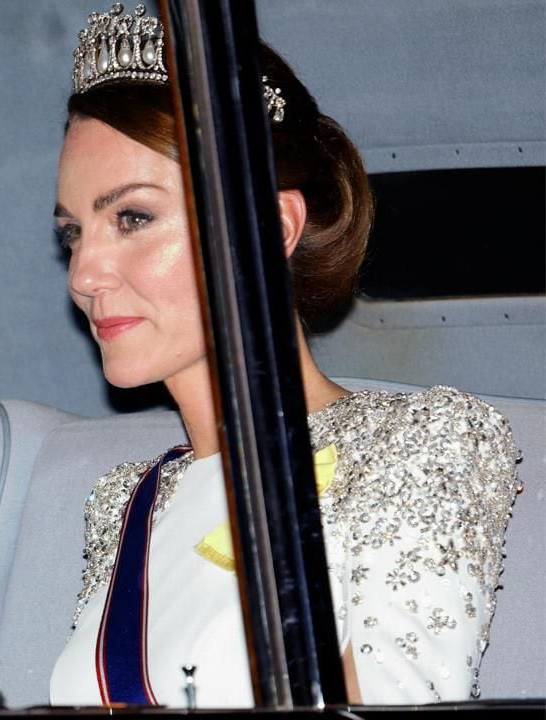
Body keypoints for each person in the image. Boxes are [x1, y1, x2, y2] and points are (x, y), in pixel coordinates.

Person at [48, 4, 521, 708]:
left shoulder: (420, 445)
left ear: (270, 227)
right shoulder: (126, 502)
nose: (84, 274)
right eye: (73, 234)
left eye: (133, 218)